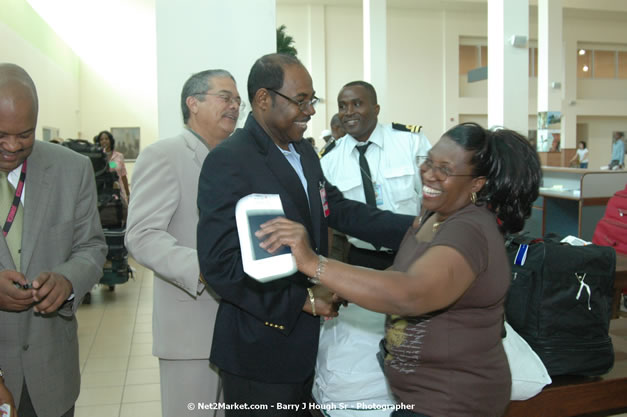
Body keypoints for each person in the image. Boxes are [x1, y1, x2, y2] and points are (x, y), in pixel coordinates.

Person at [258, 122, 542, 417]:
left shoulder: (468, 230)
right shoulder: (436, 215)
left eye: (445, 169)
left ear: (476, 183)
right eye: (428, 161)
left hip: (453, 402)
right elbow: (401, 274)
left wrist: (313, 264)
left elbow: (412, 293)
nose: (429, 174)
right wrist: (345, 289)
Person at [196, 53, 414, 416]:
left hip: (304, 345)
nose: (311, 110)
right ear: (264, 99)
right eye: (301, 101)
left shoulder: (304, 152)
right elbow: (220, 265)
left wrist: (415, 229)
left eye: (312, 100)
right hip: (260, 348)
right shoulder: (231, 160)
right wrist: (302, 300)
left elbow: (338, 211)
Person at [125, 69, 243, 417]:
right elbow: (142, 235)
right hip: (190, 327)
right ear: (193, 102)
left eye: (238, 100)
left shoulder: (236, 160)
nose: (235, 106)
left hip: (238, 326)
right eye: (226, 97)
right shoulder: (165, 155)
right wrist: (206, 270)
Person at [0, 63, 107, 417]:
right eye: (0, 135)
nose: (12, 147)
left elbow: (91, 246)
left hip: (50, 378)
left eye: (25, 134)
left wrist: (68, 280)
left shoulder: (71, 169)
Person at [94, 130, 130, 205]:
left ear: (111, 140)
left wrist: (128, 193)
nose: (104, 141)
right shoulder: (96, 157)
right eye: (101, 139)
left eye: (106, 139)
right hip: (102, 192)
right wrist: (102, 155)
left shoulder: (119, 156)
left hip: (119, 190)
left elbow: (123, 176)